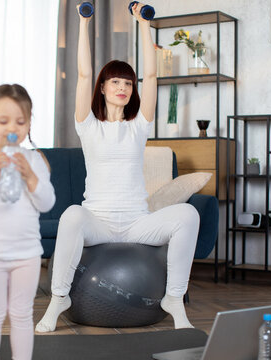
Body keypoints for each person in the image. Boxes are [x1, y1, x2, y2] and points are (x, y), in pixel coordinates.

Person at [35, 3, 199, 333]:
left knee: (188, 216)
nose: (123, 88)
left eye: (127, 83)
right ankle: (58, 299)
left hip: (137, 223)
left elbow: (151, 75)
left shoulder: (140, 125)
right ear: (103, 87)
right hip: (100, 222)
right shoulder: (87, 125)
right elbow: (83, 74)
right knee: (71, 215)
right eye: (115, 82)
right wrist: (83, 23)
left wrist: (143, 24)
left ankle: (174, 299)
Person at [0, 84, 56, 360]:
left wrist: (31, 177)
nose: (11, 127)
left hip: (26, 254)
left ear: (29, 124)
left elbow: (47, 203)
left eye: (20, 121)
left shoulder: (34, 160)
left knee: (22, 315)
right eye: (3, 121)